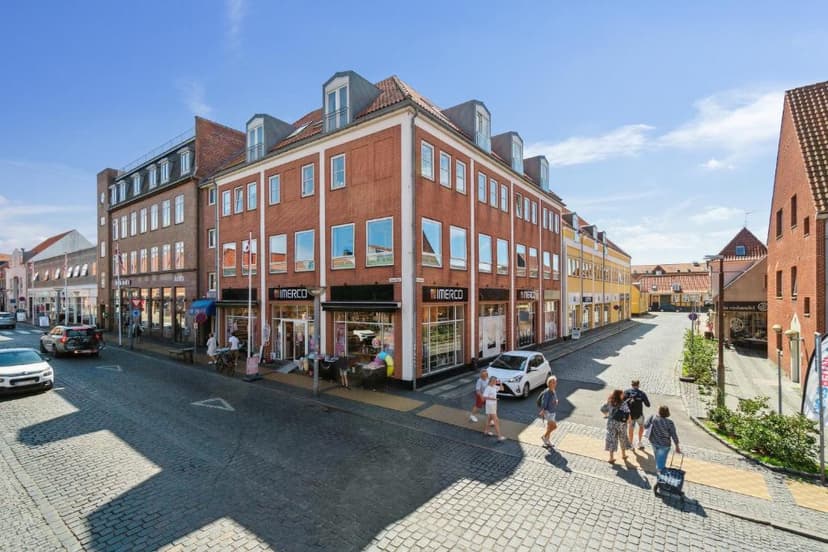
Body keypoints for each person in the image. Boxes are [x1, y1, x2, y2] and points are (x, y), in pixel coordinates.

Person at [645, 405, 681, 472]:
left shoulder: (653, 418)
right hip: (664, 445)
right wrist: (677, 446)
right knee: (661, 463)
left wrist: (650, 420)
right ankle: (661, 476)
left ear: (659, 411)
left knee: (657, 459)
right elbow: (674, 435)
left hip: (654, 442)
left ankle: (659, 472)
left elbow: (645, 426)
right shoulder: (670, 423)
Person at [600, 389, 631, 464]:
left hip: (611, 424)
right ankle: (623, 455)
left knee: (612, 439)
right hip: (621, 425)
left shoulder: (610, 401)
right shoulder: (623, 403)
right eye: (622, 394)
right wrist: (629, 421)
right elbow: (628, 414)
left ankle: (611, 458)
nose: (623, 395)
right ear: (619, 395)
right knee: (622, 438)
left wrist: (607, 415)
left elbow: (602, 409)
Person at [624, 379, 651, 450]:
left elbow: (622, 403)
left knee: (631, 428)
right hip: (639, 414)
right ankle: (639, 442)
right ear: (639, 385)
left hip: (630, 415)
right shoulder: (642, 393)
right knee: (641, 427)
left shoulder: (626, 392)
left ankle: (631, 443)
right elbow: (648, 405)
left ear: (632, 385)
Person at [482, 376, 506, 441]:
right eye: (495, 381)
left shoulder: (494, 386)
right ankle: (499, 436)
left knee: (489, 419)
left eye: (496, 381)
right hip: (490, 405)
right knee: (496, 420)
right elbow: (484, 397)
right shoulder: (488, 388)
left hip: (493, 405)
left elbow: (502, 389)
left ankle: (486, 431)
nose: (495, 382)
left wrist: (500, 383)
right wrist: (494, 399)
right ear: (491, 381)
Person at [538, 375, 559, 448]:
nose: (554, 383)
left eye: (555, 382)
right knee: (554, 426)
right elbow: (544, 402)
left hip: (553, 412)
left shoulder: (553, 390)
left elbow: (555, 398)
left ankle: (547, 441)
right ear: (549, 383)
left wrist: (556, 401)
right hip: (548, 412)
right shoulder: (547, 392)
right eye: (552, 382)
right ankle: (544, 437)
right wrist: (543, 411)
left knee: (549, 427)